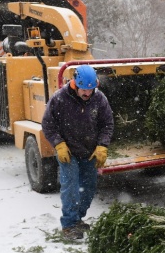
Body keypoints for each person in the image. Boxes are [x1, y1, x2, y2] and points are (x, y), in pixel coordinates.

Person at [42, 64, 114, 240]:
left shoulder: (100, 99)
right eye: (84, 89)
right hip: (69, 152)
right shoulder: (60, 99)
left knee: (88, 189)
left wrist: (102, 145)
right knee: (71, 188)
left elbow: (107, 124)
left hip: (89, 152)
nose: (87, 93)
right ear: (75, 83)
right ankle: (68, 225)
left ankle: (78, 219)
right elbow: (48, 124)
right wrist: (59, 144)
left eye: (91, 89)